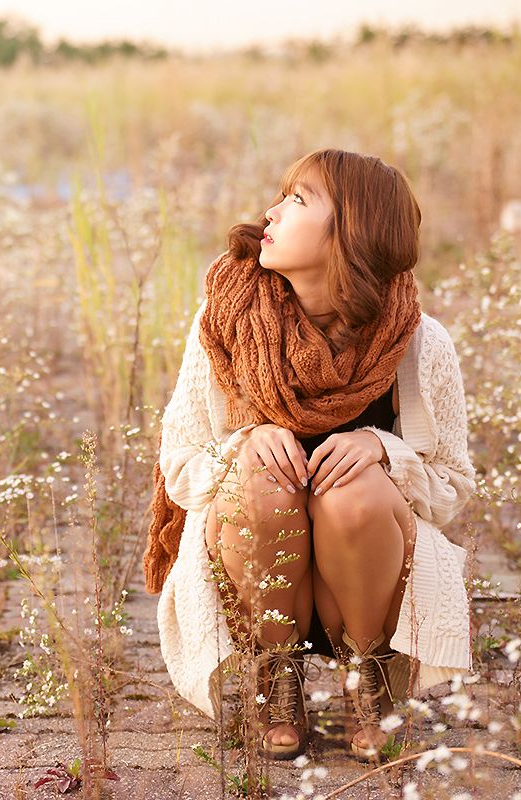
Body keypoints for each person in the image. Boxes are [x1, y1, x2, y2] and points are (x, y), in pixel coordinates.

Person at [143, 148, 478, 762]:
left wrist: (383, 448)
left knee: (355, 490)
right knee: (259, 479)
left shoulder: (418, 342)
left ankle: (366, 677)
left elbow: (454, 487)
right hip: (265, 572)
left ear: (350, 234)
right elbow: (182, 462)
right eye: (282, 195)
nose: (271, 212)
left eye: (297, 200)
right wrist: (242, 444)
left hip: (361, 577)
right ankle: (277, 674)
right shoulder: (229, 319)